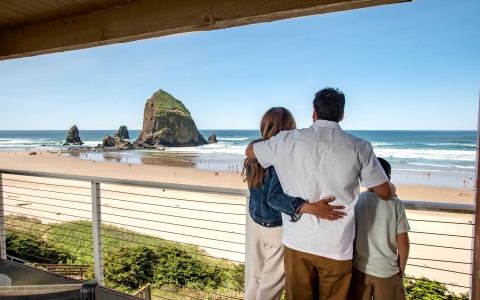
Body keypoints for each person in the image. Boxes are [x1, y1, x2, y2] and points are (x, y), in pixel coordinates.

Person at [245, 88, 395, 300]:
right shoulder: (360, 146)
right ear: (341, 114)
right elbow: (385, 192)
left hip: (296, 240)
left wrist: (263, 139)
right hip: (336, 244)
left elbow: (250, 151)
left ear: (313, 112)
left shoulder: (286, 140)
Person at [243, 107, 346, 300]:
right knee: (271, 284)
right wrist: (311, 207)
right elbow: (275, 197)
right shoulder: (281, 155)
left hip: (255, 223)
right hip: (276, 227)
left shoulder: (253, 155)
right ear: (290, 127)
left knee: (256, 276)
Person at [348, 157, 410, 300]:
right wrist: (401, 269)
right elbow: (403, 241)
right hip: (387, 271)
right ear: (388, 178)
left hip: (359, 269)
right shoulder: (396, 204)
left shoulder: (357, 200)